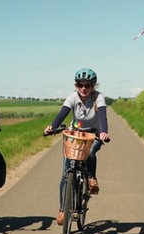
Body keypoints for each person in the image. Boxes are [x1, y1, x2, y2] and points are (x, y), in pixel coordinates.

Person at [44, 68, 110, 225]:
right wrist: (52, 127)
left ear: (93, 86)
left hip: (93, 134)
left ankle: (91, 178)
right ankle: (62, 210)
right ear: (76, 85)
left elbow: (102, 117)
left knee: (91, 151)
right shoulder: (72, 97)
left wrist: (104, 132)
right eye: (80, 85)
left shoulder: (98, 97)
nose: (84, 89)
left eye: (87, 85)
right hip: (76, 134)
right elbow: (63, 113)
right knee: (66, 173)